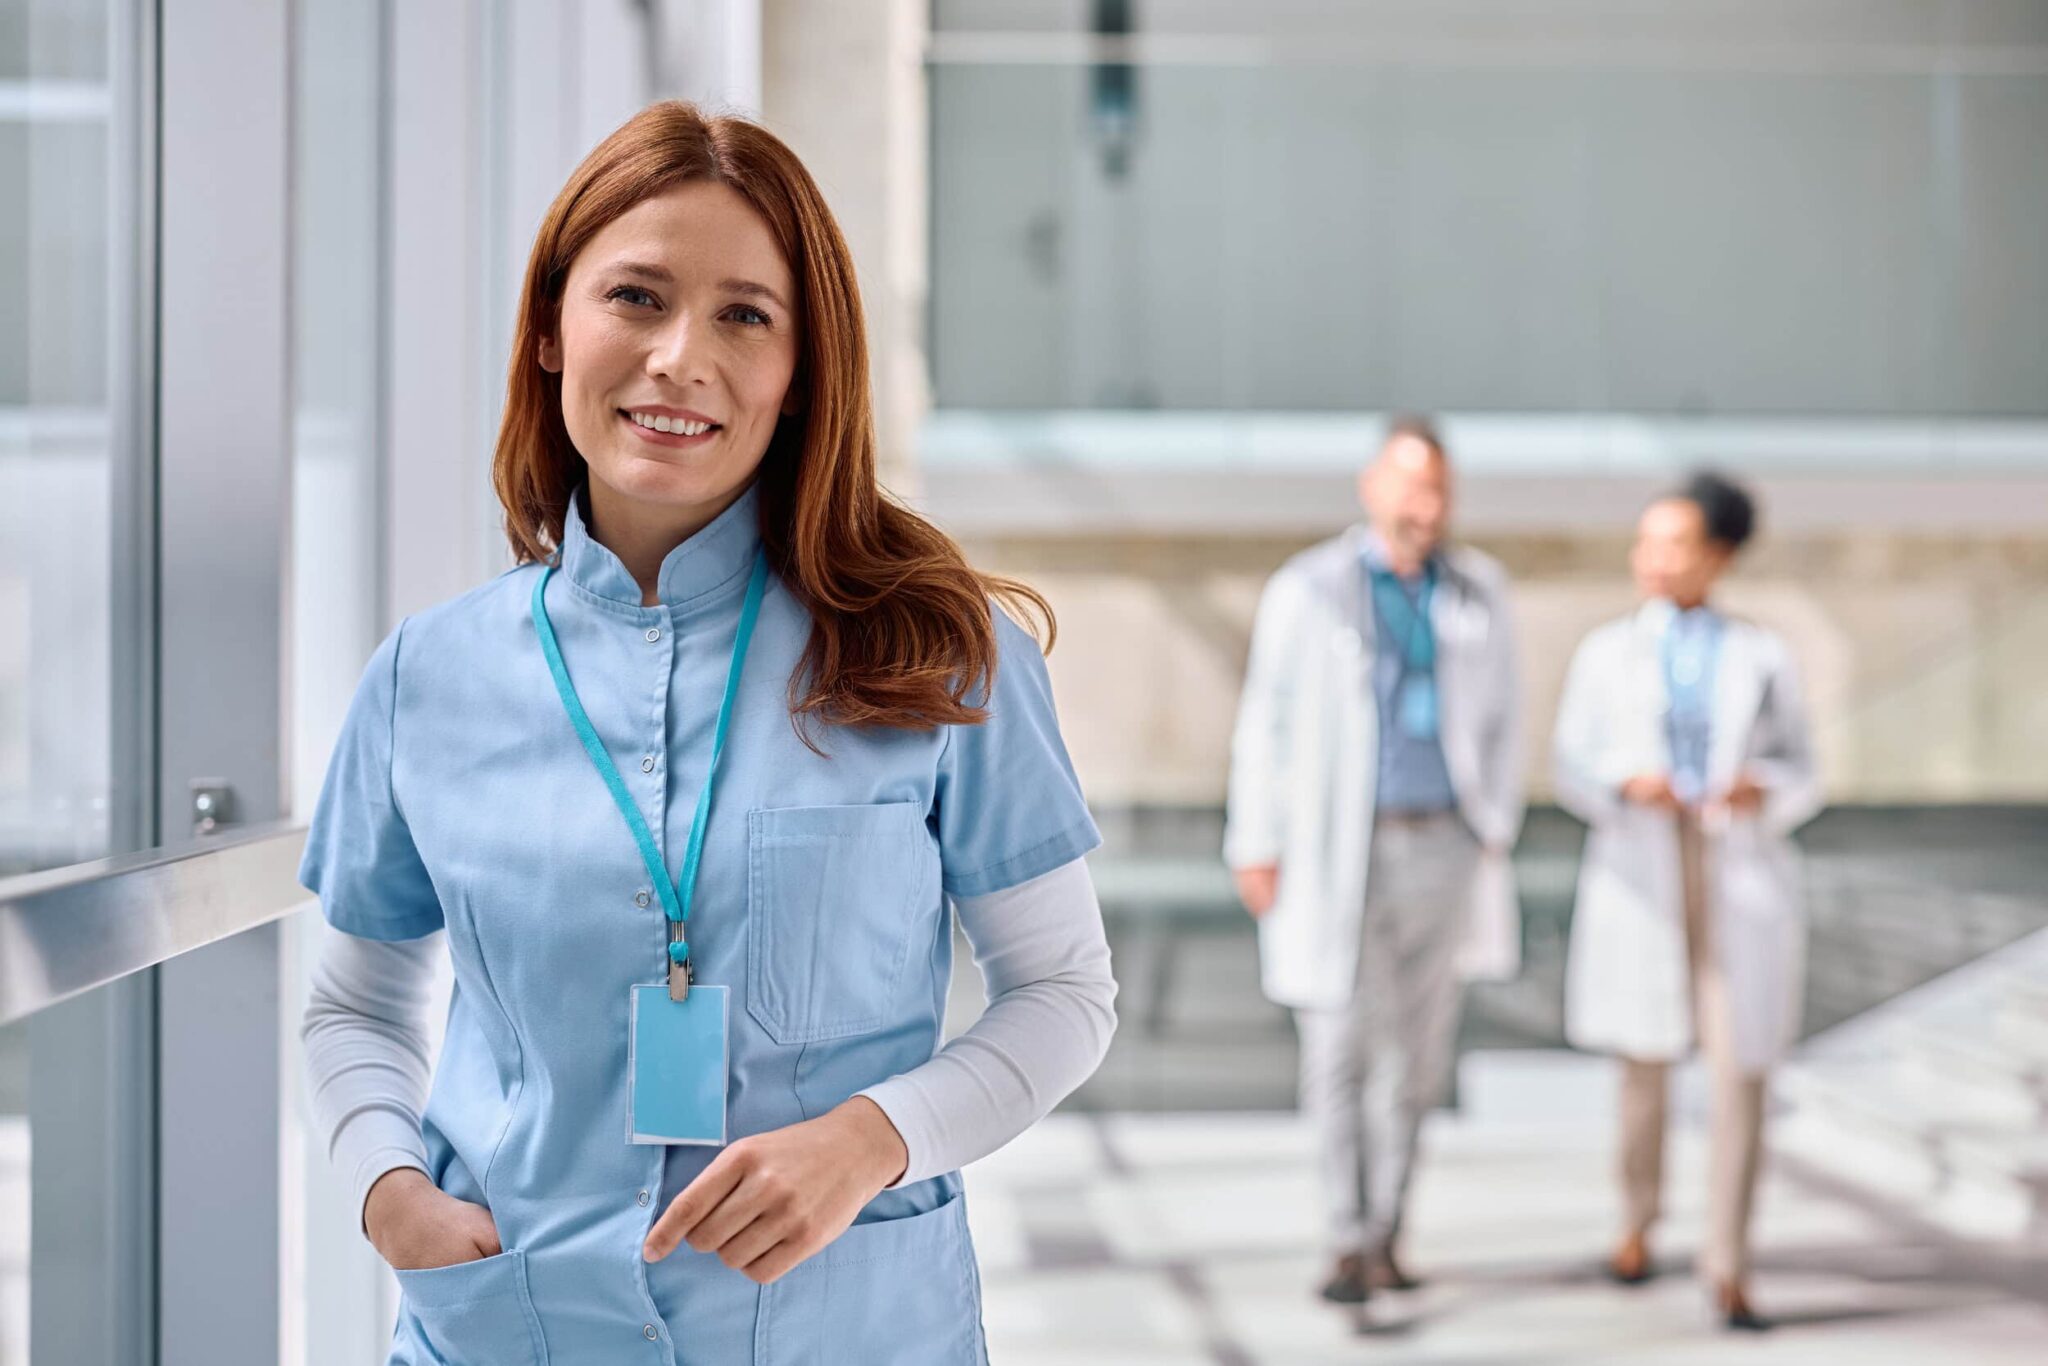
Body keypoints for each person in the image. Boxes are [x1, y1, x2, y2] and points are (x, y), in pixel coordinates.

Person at [297, 101, 1117, 1365]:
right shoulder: (426, 676)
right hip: (513, 1327)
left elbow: (1063, 994)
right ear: (550, 331)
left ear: (800, 375)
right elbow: (356, 1003)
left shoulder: (939, 653)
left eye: (745, 315)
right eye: (635, 297)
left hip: (843, 1333)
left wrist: (872, 1139)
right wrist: (387, 1193)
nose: (681, 358)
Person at [1224, 418, 1524, 1306]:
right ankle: (1346, 1236)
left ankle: (1390, 1232)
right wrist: (1256, 841)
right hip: (1337, 849)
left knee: (1419, 1054)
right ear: (1371, 488)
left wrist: (1490, 825)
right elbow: (1266, 721)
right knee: (1339, 1045)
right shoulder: (1309, 588)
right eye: (1409, 485)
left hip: (1444, 844)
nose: (1424, 506)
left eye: (1437, 490)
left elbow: (1506, 716)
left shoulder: (1479, 590)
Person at [1552, 471, 1821, 1332]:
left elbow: (1803, 766)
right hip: (1645, 860)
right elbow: (1570, 763)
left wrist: (1759, 786)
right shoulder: (1606, 651)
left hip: (1733, 867)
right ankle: (1637, 1223)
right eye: (1646, 543)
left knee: (1741, 1070)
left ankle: (1728, 1264)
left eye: (1673, 544)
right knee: (1643, 1064)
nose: (1653, 560)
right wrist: (1626, 784)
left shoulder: (1762, 654)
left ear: (1719, 555)